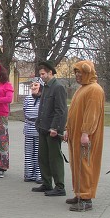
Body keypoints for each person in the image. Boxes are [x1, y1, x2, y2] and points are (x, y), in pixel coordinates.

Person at [63, 61, 105, 212]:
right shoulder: (82, 89)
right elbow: (73, 111)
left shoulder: (94, 90)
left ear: (88, 73)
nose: (77, 76)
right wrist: (68, 128)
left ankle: (86, 198)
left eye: (80, 73)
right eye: (76, 73)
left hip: (85, 136)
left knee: (85, 164)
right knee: (77, 164)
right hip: (75, 134)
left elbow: (91, 115)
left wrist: (85, 133)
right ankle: (79, 193)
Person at [32, 60, 68, 196]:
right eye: (40, 74)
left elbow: (61, 110)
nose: (41, 76)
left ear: (50, 73)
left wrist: (55, 128)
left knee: (55, 158)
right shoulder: (46, 86)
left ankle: (60, 186)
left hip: (52, 130)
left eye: (43, 74)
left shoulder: (58, 87)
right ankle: (47, 183)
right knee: (43, 157)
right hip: (43, 127)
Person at [23, 77, 43, 183]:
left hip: (39, 129)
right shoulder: (27, 98)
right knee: (29, 152)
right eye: (32, 85)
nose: (33, 87)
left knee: (38, 153)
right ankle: (29, 174)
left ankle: (39, 175)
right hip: (29, 128)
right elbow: (25, 111)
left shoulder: (44, 98)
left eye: (36, 85)